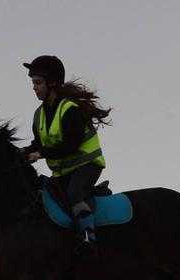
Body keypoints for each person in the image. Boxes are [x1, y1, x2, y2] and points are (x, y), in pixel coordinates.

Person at [21, 55, 111, 256]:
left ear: (52, 83)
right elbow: (39, 143)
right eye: (33, 83)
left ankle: (89, 238)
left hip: (87, 164)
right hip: (63, 171)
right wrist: (22, 152)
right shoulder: (39, 114)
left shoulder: (70, 109)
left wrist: (40, 153)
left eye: (38, 82)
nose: (34, 87)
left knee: (74, 195)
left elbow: (71, 144)